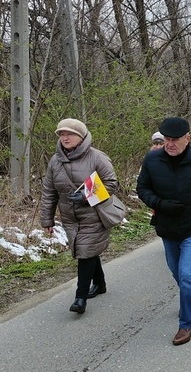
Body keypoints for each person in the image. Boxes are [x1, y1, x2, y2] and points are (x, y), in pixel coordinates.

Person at [136, 117, 191, 346]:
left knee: (187, 275)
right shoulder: (153, 160)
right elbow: (142, 188)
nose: (170, 144)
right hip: (167, 227)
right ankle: (188, 297)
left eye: (175, 139)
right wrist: (159, 203)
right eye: (166, 139)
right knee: (177, 272)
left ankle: (186, 324)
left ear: (188, 138)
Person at [41, 118, 118, 315]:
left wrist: (86, 195)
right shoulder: (55, 161)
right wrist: (47, 220)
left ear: (81, 136)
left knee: (84, 252)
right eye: (61, 134)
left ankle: (80, 298)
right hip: (70, 218)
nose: (65, 137)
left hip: (94, 215)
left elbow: (111, 184)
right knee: (89, 250)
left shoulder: (96, 157)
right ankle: (100, 284)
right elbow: (49, 191)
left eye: (70, 134)